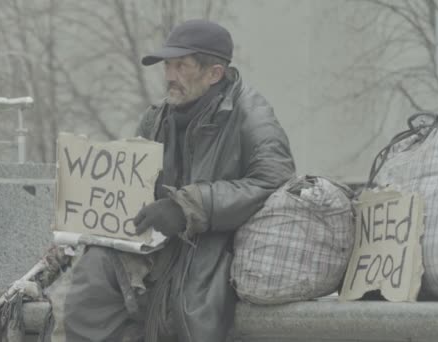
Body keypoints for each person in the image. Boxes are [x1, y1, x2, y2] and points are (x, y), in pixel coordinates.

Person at [63, 19, 296, 342]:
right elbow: (132, 187)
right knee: (95, 270)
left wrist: (188, 207)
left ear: (214, 73)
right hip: (161, 249)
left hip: (217, 251)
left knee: (184, 307)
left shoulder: (252, 115)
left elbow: (275, 182)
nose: (170, 76)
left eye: (181, 66)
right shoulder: (156, 117)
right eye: (168, 66)